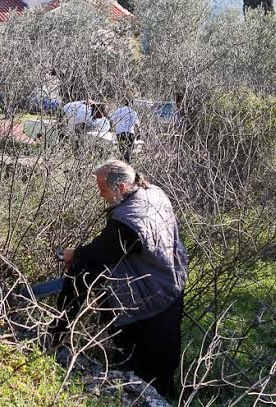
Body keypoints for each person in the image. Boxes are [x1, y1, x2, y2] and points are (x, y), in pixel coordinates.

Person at [52, 160, 188, 399]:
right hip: (170, 287)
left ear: (121, 188)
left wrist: (74, 255)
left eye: (103, 189)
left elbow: (102, 251)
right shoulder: (153, 192)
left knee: (145, 370)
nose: (100, 194)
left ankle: (56, 337)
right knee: (163, 364)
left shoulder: (130, 219)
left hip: (149, 299)